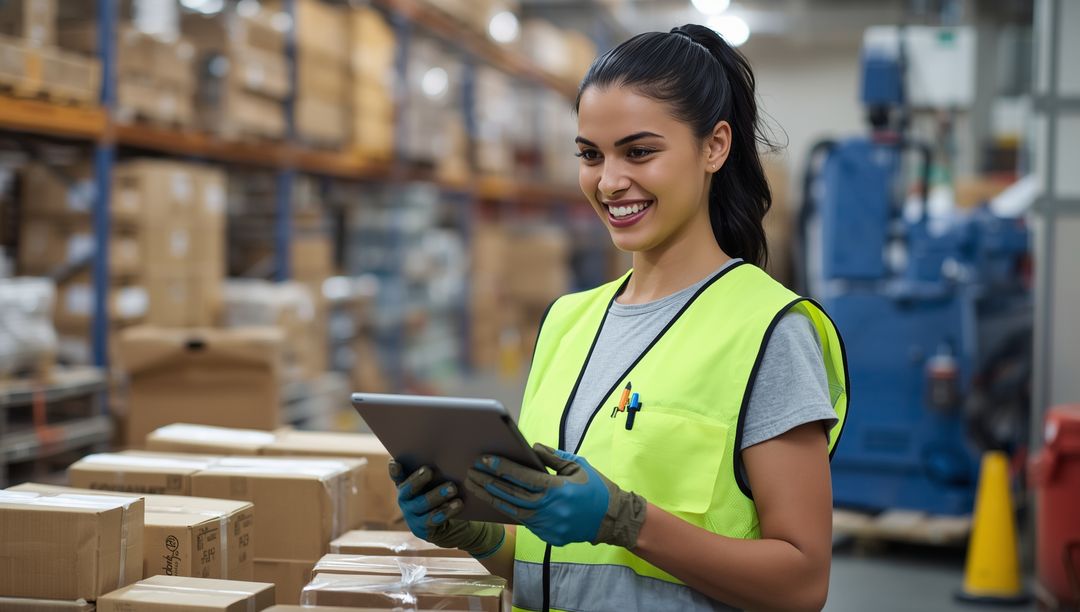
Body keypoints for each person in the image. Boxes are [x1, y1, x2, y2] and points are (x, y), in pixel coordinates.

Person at [388, 23, 849, 612]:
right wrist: (476, 534)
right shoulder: (567, 322)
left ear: (715, 146)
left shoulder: (767, 331)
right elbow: (551, 566)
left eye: (639, 152)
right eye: (589, 155)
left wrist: (627, 521)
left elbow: (802, 583)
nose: (608, 182)